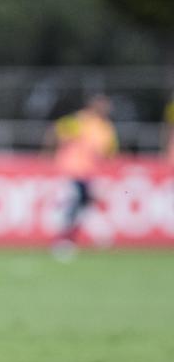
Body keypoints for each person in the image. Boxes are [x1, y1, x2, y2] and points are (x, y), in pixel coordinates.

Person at [48, 94, 117, 250]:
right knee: (72, 204)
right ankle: (63, 239)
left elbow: (107, 152)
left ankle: (74, 238)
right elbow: (57, 133)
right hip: (71, 170)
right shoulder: (79, 120)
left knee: (85, 207)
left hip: (89, 173)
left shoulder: (105, 127)